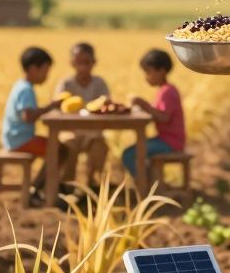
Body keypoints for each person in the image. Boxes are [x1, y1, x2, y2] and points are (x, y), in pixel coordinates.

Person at [0, 46, 68, 198]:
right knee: (59, 151)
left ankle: (38, 186)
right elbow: (28, 116)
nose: (46, 76)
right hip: (20, 140)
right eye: (45, 71)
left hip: (14, 137)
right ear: (33, 69)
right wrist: (49, 107)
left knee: (58, 149)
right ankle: (37, 188)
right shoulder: (26, 90)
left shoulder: (21, 85)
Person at [55, 42, 111, 187]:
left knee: (100, 148)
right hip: (70, 133)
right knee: (67, 149)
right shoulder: (65, 84)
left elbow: (106, 105)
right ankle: (67, 186)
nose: (82, 67)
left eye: (86, 63)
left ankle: (92, 184)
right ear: (72, 63)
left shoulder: (100, 84)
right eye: (79, 63)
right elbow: (57, 108)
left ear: (94, 63)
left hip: (94, 134)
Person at [124, 49, 185, 177]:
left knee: (129, 155)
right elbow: (157, 112)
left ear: (161, 71)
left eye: (148, 72)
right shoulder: (164, 90)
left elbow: (164, 117)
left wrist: (143, 104)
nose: (146, 77)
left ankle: (145, 185)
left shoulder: (168, 91)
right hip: (166, 139)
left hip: (170, 142)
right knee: (134, 151)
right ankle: (151, 181)